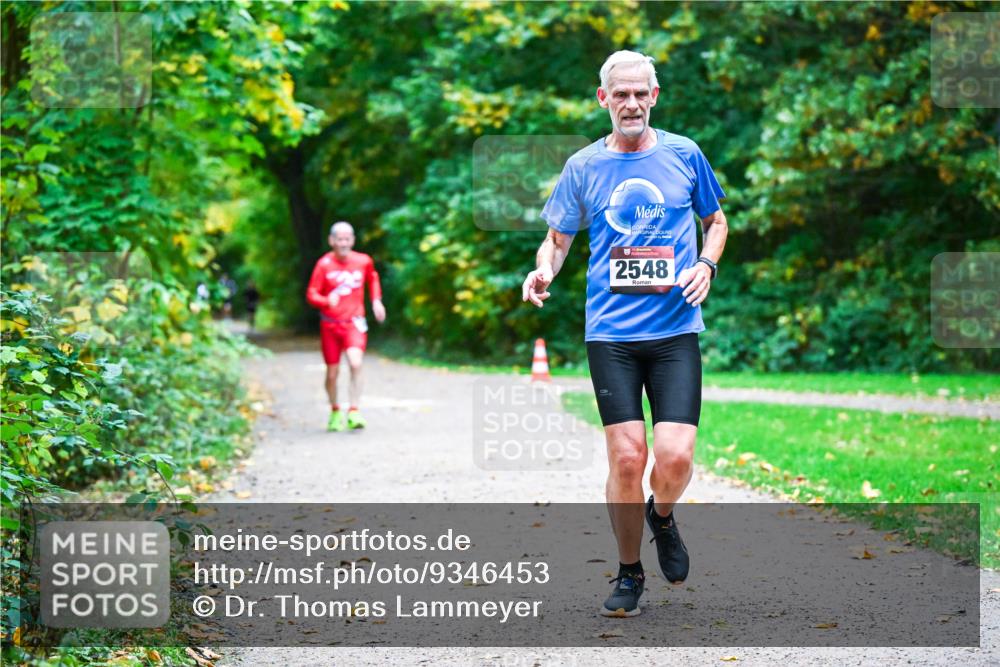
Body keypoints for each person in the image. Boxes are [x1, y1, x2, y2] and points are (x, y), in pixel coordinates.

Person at [521, 50, 728, 617]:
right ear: (603, 100)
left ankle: (662, 517)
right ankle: (630, 571)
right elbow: (557, 239)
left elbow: (717, 222)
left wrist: (706, 265)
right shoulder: (583, 166)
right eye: (621, 94)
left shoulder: (685, 155)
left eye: (641, 93)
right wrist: (543, 269)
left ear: (654, 97)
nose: (631, 103)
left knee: (676, 456)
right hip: (610, 332)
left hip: (674, 330)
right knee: (629, 458)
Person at [306, 221, 386, 432]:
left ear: (352, 240)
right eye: (339, 239)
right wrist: (325, 301)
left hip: (354, 323)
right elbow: (311, 293)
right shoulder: (323, 265)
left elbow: (373, 279)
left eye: (347, 239)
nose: (343, 243)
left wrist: (376, 300)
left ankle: (354, 410)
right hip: (330, 325)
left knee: (356, 363)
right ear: (331, 241)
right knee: (332, 373)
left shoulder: (363, 261)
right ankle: (334, 410)